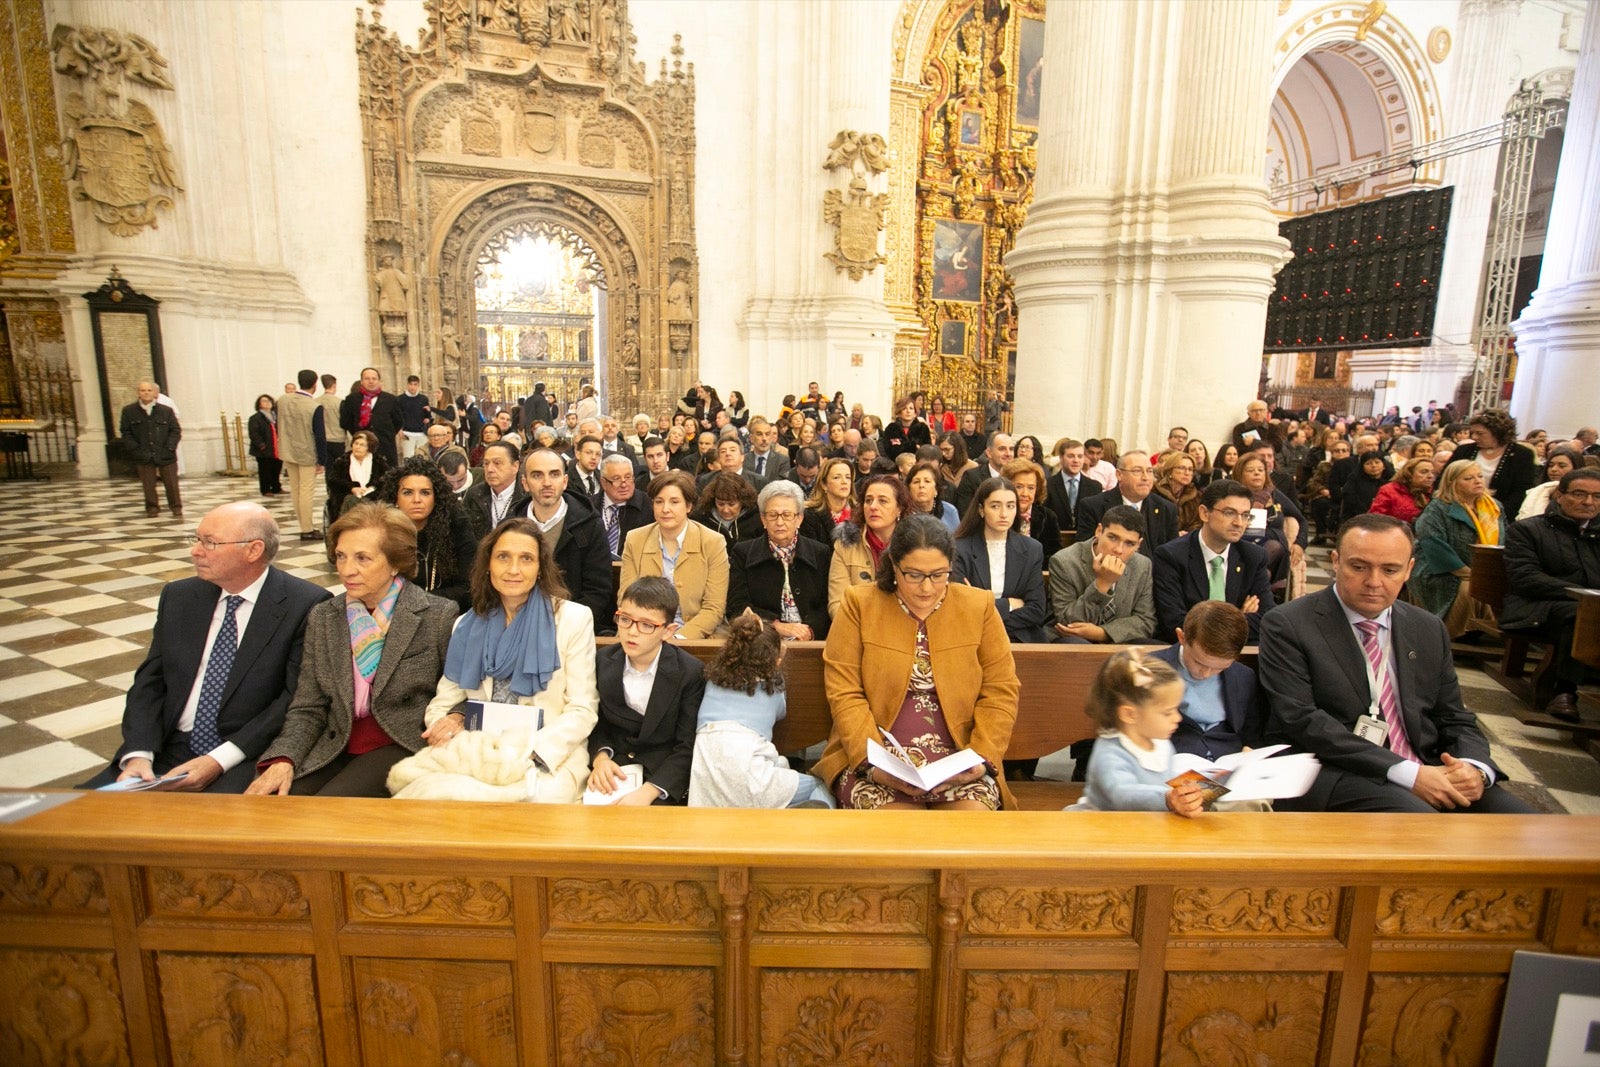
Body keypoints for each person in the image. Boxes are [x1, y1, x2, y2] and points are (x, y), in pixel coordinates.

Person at [1259, 514, 1535, 813]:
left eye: (1390, 570)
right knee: (1425, 825)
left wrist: (1473, 768)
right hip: (1339, 769)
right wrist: (1408, 773)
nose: (1374, 582)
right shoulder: (1289, 623)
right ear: (1336, 561)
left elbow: (1453, 715)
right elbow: (1302, 720)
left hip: (1429, 765)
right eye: (1359, 566)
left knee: (1523, 824)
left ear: (1409, 570)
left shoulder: (1427, 627)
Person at [79, 503, 331, 792]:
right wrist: (139, 754)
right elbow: (151, 681)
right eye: (196, 539)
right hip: (165, 748)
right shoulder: (179, 597)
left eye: (209, 542)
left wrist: (216, 760)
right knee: (70, 816)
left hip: (243, 753)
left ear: (253, 550)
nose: (195, 551)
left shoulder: (305, 604)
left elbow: (293, 699)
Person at [247, 504, 457, 797]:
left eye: (363, 558)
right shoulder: (325, 617)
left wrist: (453, 718)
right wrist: (284, 758)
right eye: (341, 556)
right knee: (275, 804)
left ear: (395, 562)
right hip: (335, 740)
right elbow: (308, 705)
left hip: (399, 743)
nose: (347, 570)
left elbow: (458, 694)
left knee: (323, 814)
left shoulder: (436, 615)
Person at [384, 518, 597, 802]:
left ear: (540, 568)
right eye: (503, 557)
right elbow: (443, 703)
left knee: (518, 805)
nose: (513, 569)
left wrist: (531, 752)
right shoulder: (466, 625)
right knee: (421, 799)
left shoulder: (572, 619)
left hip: (546, 755)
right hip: (478, 754)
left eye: (526, 559)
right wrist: (449, 723)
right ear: (488, 564)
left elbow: (583, 709)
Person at [817, 514, 1019, 810]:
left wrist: (982, 755)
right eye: (913, 575)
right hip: (875, 759)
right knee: (900, 839)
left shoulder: (979, 606)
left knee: (971, 835)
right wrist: (871, 761)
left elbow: (1001, 690)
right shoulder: (859, 604)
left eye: (939, 574)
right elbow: (844, 691)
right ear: (893, 565)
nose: (926, 588)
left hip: (959, 758)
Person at [686, 612, 834, 808]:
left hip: (706, 773)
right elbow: (781, 712)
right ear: (774, 661)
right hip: (749, 770)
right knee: (819, 786)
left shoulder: (713, 679)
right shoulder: (773, 687)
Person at [1500, 467, 1600, 720]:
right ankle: (1564, 692)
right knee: (1579, 617)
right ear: (1559, 495)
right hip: (1537, 608)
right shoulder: (1528, 530)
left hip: (1593, 608)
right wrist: (1583, 596)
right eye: (1579, 494)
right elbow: (1525, 578)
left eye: (1597, 496)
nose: (1589, 502)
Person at [1064, 651, 1205, 817]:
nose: (1178, 718)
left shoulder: (1160, 743)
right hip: (1104, 827)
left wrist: (1189, 788)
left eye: (1177, 709)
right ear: (1130, 715)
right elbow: (1122, 795)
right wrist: (1167, 798)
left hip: (1146, 823)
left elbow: (1163, 779)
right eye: (1168, 712)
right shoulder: (1110, 754)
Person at [1153, 479, 1275, 642]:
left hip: (1237, 654)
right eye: (1229, 513)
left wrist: (1209, 624)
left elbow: (1268, 620)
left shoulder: (1253, 556)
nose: (1239, 523)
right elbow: (1175, 624)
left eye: (1245, 515)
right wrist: (1237, 617)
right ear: (1204, 513)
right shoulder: (1171, 556)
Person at [620, 470, 729, 639]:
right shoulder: (635, 539)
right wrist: (650, 633)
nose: (665, 509)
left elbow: (714, 608)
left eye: (674, 502)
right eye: (659, 502)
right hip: (643, 632)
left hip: (695, 635)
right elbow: (626, 599)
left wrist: (678, 638)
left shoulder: (712, 542)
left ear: (688, 506)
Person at [1152, 601, 1262, 762]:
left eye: (1220, 667)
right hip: (1171, 763)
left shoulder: (1244, 676)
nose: (1206, 673)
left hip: (1228, 764)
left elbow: (1252, 735)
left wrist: (1250, 752)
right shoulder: (1150, 670)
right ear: (1182, 637)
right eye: (1199, 662)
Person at [728, 481, 833, 641]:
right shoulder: (743, 553)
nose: (779, 522)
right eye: (772, 515)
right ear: (763, 519)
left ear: (799, 519)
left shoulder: (821, 552)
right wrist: (775, 625)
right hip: (762, 639)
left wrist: (810, 631)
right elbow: (736, 606)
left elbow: (826, 605)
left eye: (786, 515)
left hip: (810, 640)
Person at [1412, 459, 1504, 638]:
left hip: (1484, 569)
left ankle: (1490, 634)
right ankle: (1457, 633)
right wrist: (1464, 571)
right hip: (1440, 570)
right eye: (1468, 478)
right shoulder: (1439, 508)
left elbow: (1502, 540)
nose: (1477, 481)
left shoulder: (1494, 507)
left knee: (1498, 586)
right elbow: (1432, 542)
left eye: (1479, 476)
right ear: (1452, 483)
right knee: (1469, 588)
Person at [952, 477, 1050, 644]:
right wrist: (1009, 604)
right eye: (995, 506)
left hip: (1020, 637)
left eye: (1010, 506)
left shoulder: (1032, 549)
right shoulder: (959, 549)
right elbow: (961, 609)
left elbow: (1036, 610)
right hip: (972, 638)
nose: (1004, 513)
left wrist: (984, 612)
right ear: (981, 510)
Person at [376, 456, 479, 611]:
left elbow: (469, 587)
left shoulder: (457, 525)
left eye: (425, 493)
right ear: (396, 497)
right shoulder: (381, 530)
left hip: (446, 612)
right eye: (408, 493)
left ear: (435, 498)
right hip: (392, 612)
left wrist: (422, 602)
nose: (417, 500)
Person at [1049, 504, 1155, 644]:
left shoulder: (1142, 565)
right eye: (1112, 538)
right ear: (1099, 531)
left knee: (1156, 649)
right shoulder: (1064, 561)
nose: (1118, 549)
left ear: (1138, 544)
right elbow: (1067, 622)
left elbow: (1146, 621)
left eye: (1129, 544)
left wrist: (1102, 633)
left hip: (1119, 641)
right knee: (1077, 644)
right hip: (1075, 642)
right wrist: (1102, 584)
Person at [828, 473, 907, 617]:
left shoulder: (914, 546)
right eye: (868, 500)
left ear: (899, 508)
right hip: (858, 629)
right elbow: (837, 604)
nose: (873, 507)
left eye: (882, 501)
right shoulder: (845, 544)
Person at [1076, 450, 1177, 559]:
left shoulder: (1166, 508)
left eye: (1149, 471)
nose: (1145, 477)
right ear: (1119, 475)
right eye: (1137, 471)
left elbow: (1171, 554)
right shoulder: (1093, 506)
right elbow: (1085, 552)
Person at [1446, 408, 1541, 521]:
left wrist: (1493, 514)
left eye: (1480, 433)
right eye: (1473, 433)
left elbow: (1521, 492)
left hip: (1500, 516)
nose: (1474, 437)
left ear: (1498, 433)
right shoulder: (1463, 451)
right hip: (1459, 512)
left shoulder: (1522, 455)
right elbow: (1446, 479)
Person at [1234, 451, 1305, 582]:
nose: (1257, 473)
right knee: (1263, 575)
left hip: (1273, 550)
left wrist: (1299, 544)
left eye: (1260, 470)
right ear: (1240, 474)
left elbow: (1301, 519)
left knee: (1273, 547)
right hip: (1240, 545)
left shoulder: (1274, 495)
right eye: (1250, 470)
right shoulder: (1233, 496)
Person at [121, 381, 183, 519]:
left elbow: (175, 430)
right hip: (143, 453)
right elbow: (126, 432)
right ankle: (152, 508)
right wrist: (135, 449)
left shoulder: (166, 411)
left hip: (165, 453)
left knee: (171, 483)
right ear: (138, 393)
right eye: (143, 390)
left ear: (155, 393)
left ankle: (176, 507)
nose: (146, 393)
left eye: (149, 390)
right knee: (148, 484)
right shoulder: (129, 411)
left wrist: (170, 447)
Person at [277, 370, 323, 541]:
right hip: (306, 452)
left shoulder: (282, 400)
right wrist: (322, 459)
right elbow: (319, 435)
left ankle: (303, 524)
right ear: (314, 384)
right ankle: (307, 528)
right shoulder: (313, 406)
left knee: (295, 490)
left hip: (288, 450)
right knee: (306, 490)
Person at [461, 440, 528, 541]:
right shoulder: (474, 495)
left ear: (515, 466)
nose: (490, 469)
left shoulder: (527, 496)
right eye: (486, 463)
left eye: (497, 463)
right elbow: (465, 536)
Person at [339, 367, 403, 467]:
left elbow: (398, 421)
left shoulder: (390, 399)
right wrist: (359, 433)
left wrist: (386, 433)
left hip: (385, 446)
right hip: (362, 446)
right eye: (367, 379)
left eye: (374, 378)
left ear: (379, 381)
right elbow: (346, 421)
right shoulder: (352, 399)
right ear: (361, 381)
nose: (371, 381)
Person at [595, 453, 651, 559]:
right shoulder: (589, 507)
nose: (624, 484)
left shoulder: (648, 506)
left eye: (628, 477)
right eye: (616, 479)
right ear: (603, 482)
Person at [1002, 458, 1060, 557]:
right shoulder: (998, 514)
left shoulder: (1048, 517)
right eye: (1019, 487)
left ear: (1037, 490)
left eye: (1031, 488)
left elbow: (1053, 556)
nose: (1025, 494)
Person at [693, 470, 762, 551]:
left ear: (742, 501)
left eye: (731, 504)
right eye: (720, 504)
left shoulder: (757, 519)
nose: (725, 510)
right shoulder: (700, 520)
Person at [326, 429, 388, 518]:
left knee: (370, 502)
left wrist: (372, 487)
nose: (357, 447)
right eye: (356, 443)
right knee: (351, 500)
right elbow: (333, 480)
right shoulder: (342, 461)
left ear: (369, 447)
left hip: (372, 496)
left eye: (362, 445)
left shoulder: (378, 461)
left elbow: (385, 479)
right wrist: (352, 488)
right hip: (347, 495)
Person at [951, 432, 1014, 518]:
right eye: (1002, 449)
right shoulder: (971, 477)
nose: (1008, 454)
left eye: (1011, 449)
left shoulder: (1016, 478)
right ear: (989, 452)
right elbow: (965, 514)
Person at [1045, 439, 1101, 535]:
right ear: (1061, 458)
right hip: (1054, 540)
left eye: (1080, 456)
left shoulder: (1095, 487)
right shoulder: (1047, 485)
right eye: (1071, 456)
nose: (1076, 460)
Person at [1516, 447, 1582, 521]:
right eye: (1550, 465)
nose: (1554, 469)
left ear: (1576, 468)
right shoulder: (1536, 491)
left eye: (1562, 466)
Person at [800, 455, 854, 545]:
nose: (844, 481)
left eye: (848, 477)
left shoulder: (859, 512)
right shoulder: (810, 516)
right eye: (837, 477)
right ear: (824, 484)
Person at [1369, 457, 1434, 526]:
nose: (1431, 476)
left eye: (1432, 472)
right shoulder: (1389, 490)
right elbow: (1376, 520)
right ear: (1409, 474)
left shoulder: (1432, 493)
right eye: (1424, 472)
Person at [1153, 448, 1201, 534]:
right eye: (1182, 468)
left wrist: (1188, 535)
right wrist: (1174, 534)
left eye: (1190, 469)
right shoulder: (1155, 492)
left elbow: (1197, 523)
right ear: (1170, 470)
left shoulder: (1196, 496)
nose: (1187, 473)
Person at [1339, 450, 1389, 527]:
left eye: (1377, 462)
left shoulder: (1391, 481)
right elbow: (1351, 503)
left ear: (1384, 465)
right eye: (1368, 463)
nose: (1373, 466)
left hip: (1386, 520)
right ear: (1362, 467)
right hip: (1358, 519)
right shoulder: (1354, 481)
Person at [906, 461, 958, 531]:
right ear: (909, 489)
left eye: (927, 481)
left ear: (936, 489)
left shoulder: (950, 511)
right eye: (916, 482)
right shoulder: (903, 513)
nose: (921, 485)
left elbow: (957, 540)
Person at [247, 394, 283, 496]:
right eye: (264, 401)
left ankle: (276, 487)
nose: (267, 403)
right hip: (264, 449)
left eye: (269, 401)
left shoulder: (276, 416)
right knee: (265, 470)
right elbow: (254, 433)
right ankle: (266, 489)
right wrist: (261, 445)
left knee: (276, 469)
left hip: (277, 447)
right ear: (259, 404)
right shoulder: (256, 418)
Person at [880, 396, 932, 461]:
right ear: (899, 412)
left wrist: (902, 445)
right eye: (904, 408)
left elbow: (926, 450)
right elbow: (891, 451)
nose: (908, 411)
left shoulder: (923, 428)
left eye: (911, 408)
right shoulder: (892, 428)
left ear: (915, 413)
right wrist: (914, 446)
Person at [397, 375, 430, 458]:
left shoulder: (423, 399)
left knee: (423, 458)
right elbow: (397, 416)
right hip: (407, 433)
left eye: (415, 384)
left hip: (422, 433)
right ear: (407, 385)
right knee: (408, 458)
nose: (413, 387)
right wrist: (399, 430)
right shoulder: (400, 399)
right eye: (411, 384)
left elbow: (427, 415)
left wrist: (427, 419)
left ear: (418, 385)